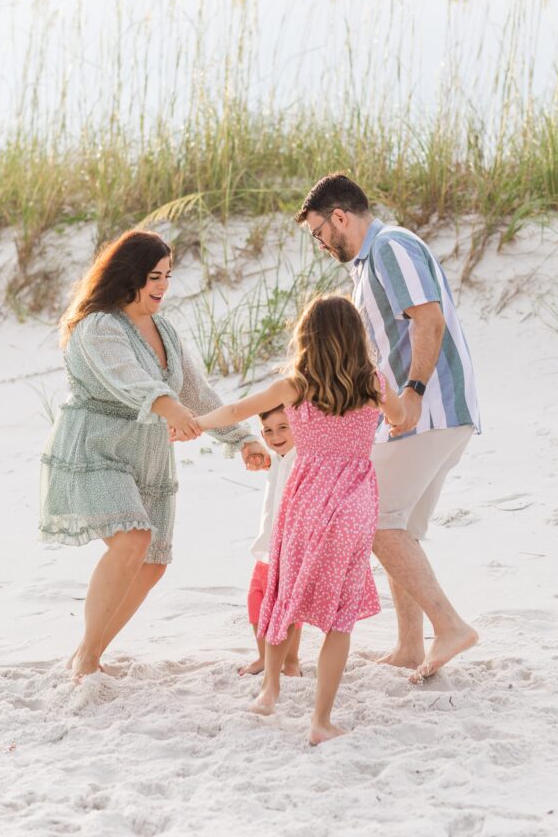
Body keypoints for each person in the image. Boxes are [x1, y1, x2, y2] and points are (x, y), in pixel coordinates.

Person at [39, 229, 269, 680]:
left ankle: (90, 651)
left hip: (147, 455)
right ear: (129, 276)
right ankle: (86, 659)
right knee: (132, 539)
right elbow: (132, 381)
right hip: (97, 447)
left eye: (167, 275)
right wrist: (171, 409)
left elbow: (197, 392)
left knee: (153, 563)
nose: (163, 285)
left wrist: (242, 438)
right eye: (153, 276)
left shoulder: (163, 326)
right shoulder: (97, 326)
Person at [192, 294, 407, 745]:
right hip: (353, 505)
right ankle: (320, 721)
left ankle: (270, 690)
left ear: (306, 339)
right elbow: (401, 418)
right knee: (339, 619)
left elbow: (235, 412)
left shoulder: (296, 386)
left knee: (282, 593)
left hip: (306, 502)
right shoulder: (373, 384)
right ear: (356, 338)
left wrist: (193, 423)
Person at [296, 174, 480, 683]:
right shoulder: (367, 267)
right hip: (430, 416)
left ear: (339, 216)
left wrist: (415, 393)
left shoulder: (391, 247)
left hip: (432, 409)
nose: (319, 243)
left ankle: (450, 626)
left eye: (317, 232)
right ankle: (408, 645)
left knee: (377, 521)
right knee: (398, 526)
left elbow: (428, 319)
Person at [241, 405, 302, 678]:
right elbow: (267, 458)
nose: (275, 435)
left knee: (288, 607)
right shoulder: (276, 458)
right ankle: (264, 657)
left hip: (291, 546)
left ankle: (291, 661)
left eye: (283, 427)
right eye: (268, 430)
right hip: (267, 545)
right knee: (256, 598)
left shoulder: (302, 457)